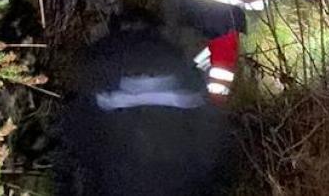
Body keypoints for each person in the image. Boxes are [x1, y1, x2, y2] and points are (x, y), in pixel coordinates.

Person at [54, 12, 234, 195]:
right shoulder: (180, 67)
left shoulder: (99, 64)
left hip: (119, 182)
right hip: (177, 181)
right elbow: (212, 142)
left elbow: (75, 139)